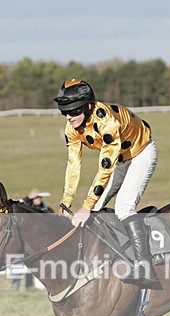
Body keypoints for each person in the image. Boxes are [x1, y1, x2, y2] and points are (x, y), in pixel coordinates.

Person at [54, 79, 160, 287]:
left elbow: (105, 166)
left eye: (74, 111)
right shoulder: (71, 128)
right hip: (121, 158)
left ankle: (144, 266)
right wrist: (65, 203)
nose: (69, 117)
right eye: (64, 112)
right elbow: (73, 164)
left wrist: (86, 205)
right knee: (95, 209)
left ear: (89, 106)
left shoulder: (106, 121)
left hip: (141, 153)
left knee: (123, 206)